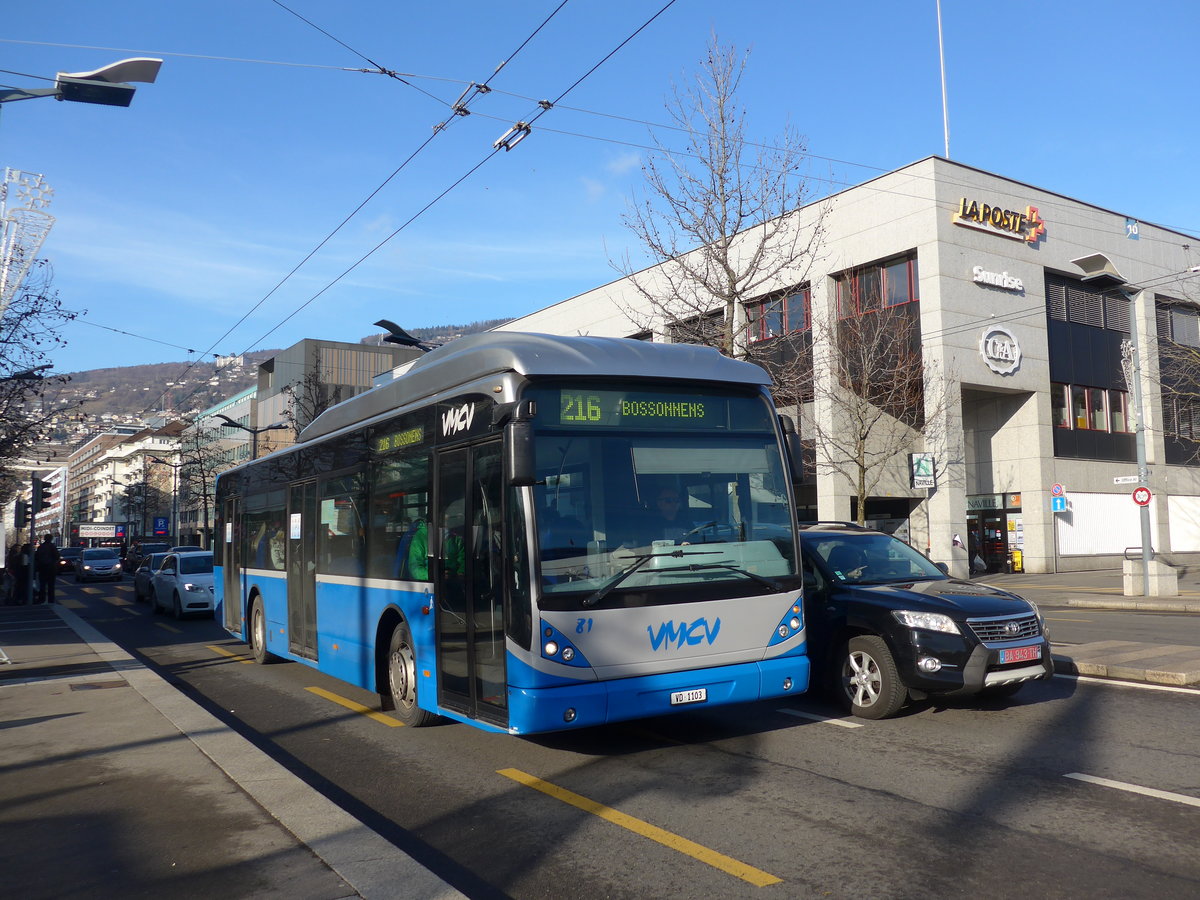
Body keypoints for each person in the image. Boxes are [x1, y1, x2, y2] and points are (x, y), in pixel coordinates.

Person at [34, 535, 61, 604]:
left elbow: (36, 557)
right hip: (51, 568)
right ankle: (50, 600)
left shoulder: (41, 547)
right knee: (51, 586)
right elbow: (57, 556)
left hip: (42, 568)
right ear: (51, 539)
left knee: (42, 585)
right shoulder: (52, 546)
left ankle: (42, 598)